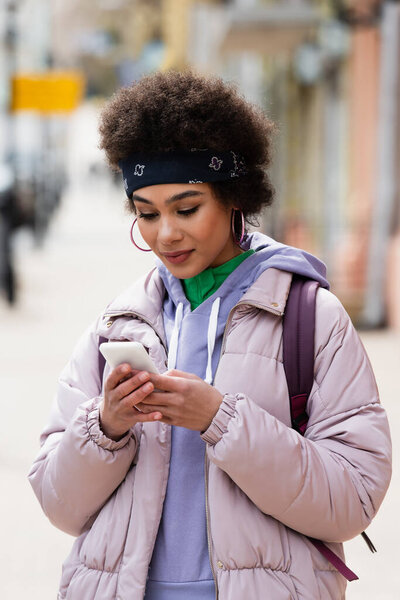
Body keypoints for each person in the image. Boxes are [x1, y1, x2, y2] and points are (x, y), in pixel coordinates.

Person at [29, 70, 391, 600]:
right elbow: (59, 504)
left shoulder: (312, 317)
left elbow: (353, 499)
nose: (166, 234)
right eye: (146, 214)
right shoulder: (118, 324)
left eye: (187, 208)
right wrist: (105, 426)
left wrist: (220, 420)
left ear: (233, 198)